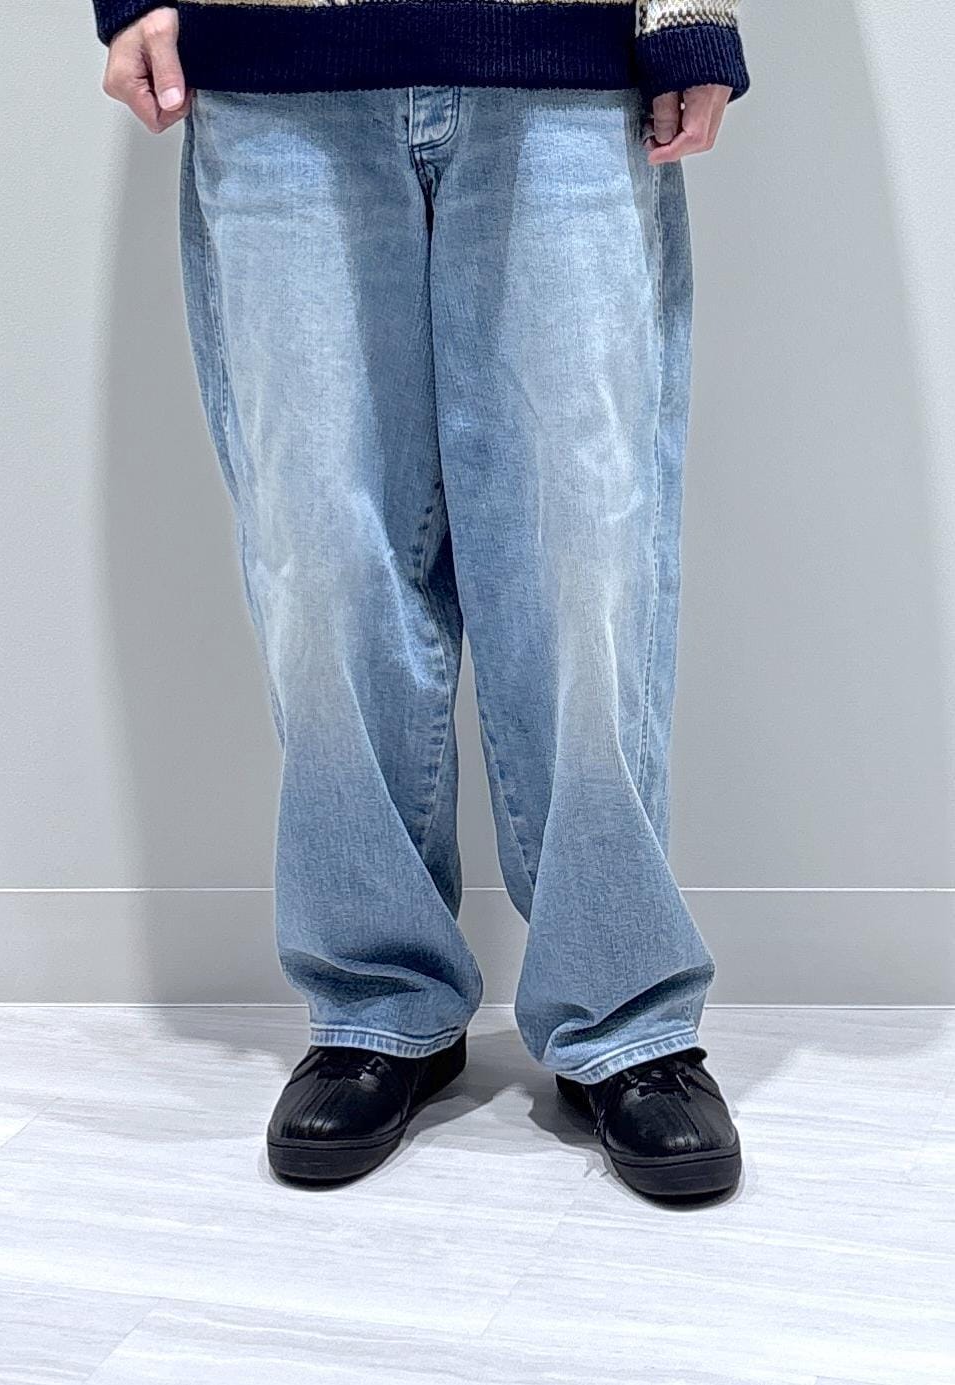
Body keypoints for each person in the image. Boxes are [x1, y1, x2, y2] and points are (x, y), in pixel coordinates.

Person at [92, 0, 750, 1200]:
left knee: (582, 556)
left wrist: (688, 19)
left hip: (563, 59)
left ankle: (623, 1009)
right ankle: (377, 1001)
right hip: (274, 70)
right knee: (320, 564)